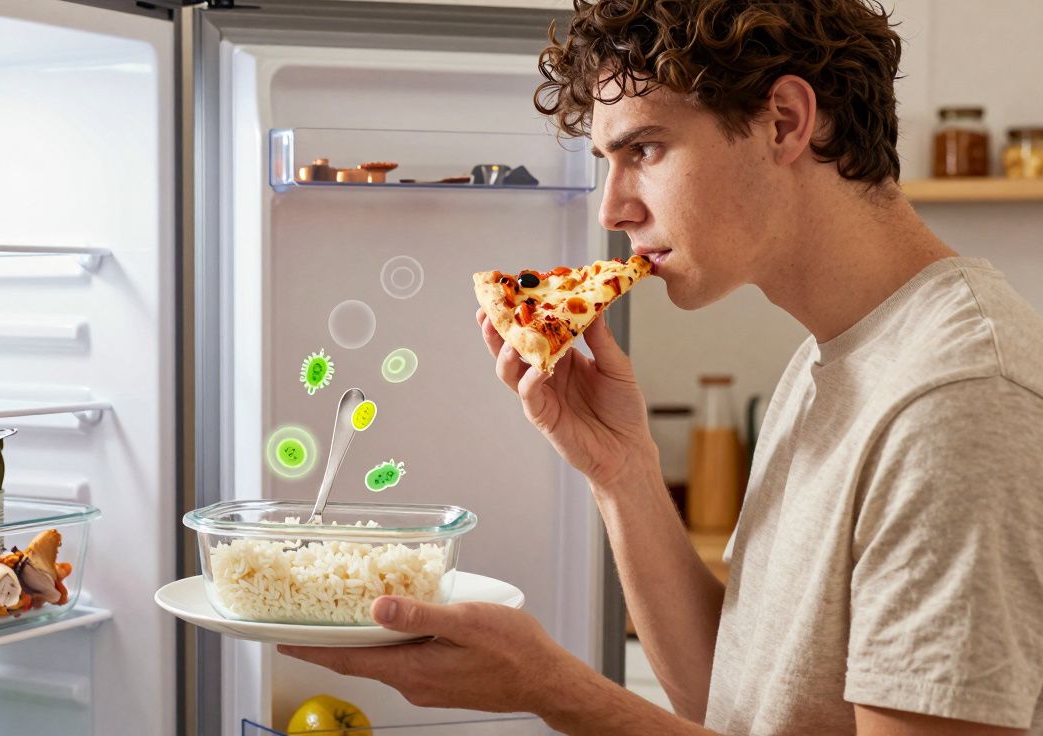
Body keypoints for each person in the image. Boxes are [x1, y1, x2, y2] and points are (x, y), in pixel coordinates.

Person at [279, 0, 1043, 733]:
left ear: (784, 121)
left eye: (643, 150)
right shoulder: (837, 356)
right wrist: (624, 473)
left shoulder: (958, 399)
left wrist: (551, 688)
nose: (613, 209)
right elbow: (735, 701)